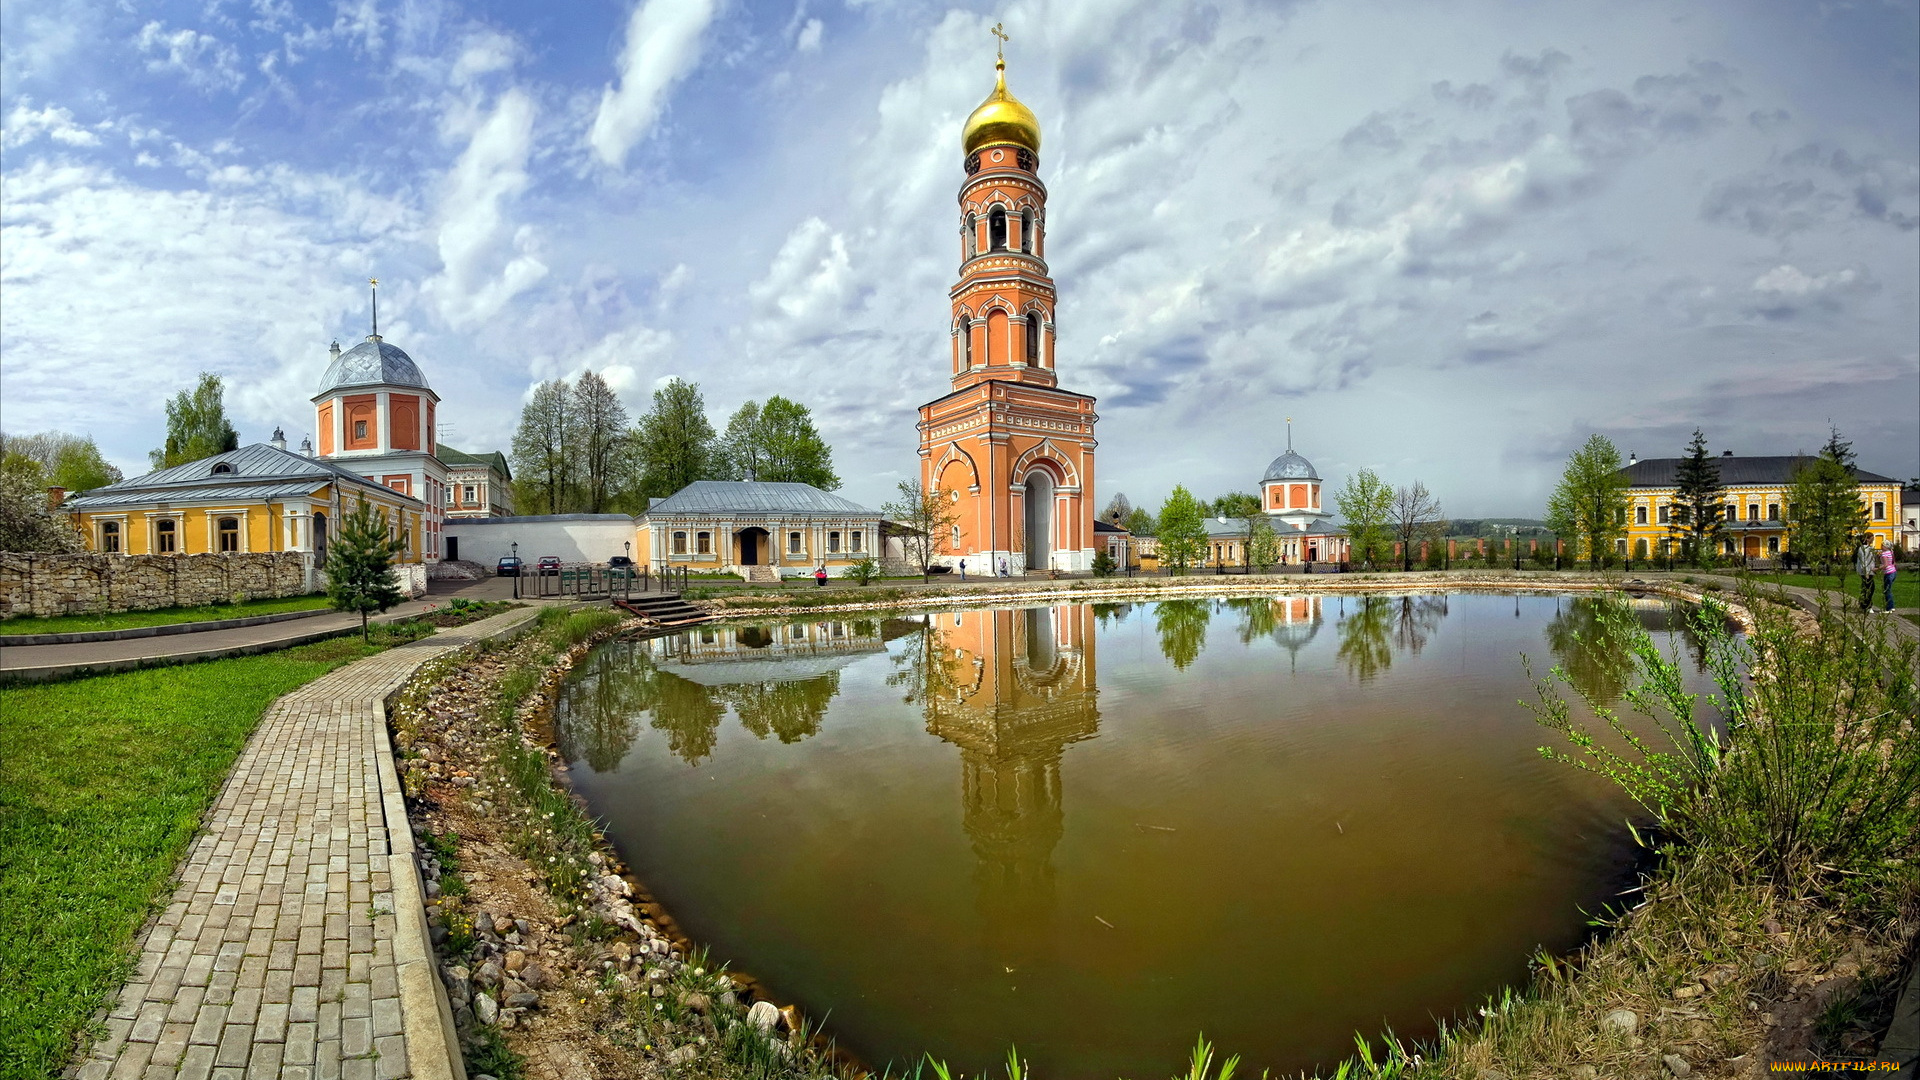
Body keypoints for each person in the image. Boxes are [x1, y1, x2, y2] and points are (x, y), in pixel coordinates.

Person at [1855, 535, 1880, 612]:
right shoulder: (1863, 548)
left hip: (1870, 571)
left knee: (1867, 588)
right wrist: (1866, 572)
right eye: (1872, 538)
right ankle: (1867, 606)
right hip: (1866, 571)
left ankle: (1864, 604)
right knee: (1869, 588)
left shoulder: (1869, 548)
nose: (1873, 540)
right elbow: (1864, 560)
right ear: (1867, 539)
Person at [1880, 539, 1899, 613]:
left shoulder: (1884, 554)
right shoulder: (1891, 552)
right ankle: (1891, 606)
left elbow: (1885, 565)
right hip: (1893, 572)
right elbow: (1894, 563)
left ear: (1885, 546)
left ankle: (1889, 608)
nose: (1881, 546)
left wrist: (1876, 569)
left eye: (1882, 545)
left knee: (1887, 590)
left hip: (1888, 573)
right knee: (1889, 589)